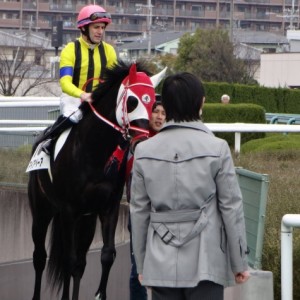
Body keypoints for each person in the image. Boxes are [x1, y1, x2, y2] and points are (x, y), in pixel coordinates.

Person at [130, 72, 250, 300]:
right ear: (201, 103)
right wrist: (239, 262)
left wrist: (143, 266)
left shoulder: (144, 151)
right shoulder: (218, 148)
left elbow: (139, 211)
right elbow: (231, 207)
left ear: (165, 104)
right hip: (207, 260)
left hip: (160, 260)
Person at [41, 4, 117, 153]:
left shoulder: (109, 51)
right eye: (96, 27)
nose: (100, 32)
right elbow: (65, 83)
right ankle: (48, 141)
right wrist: (83, 95)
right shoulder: (70, 49)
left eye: (102, 28)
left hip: (98, 101)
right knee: (74, 115)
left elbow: (113, 82)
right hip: (73, 99)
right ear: (84, 28)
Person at [126, 96, 166, 300]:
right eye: (155, 112)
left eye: (163, 113)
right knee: (137, 269)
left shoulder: (169, 141)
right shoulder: (136, 142)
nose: (159, 117)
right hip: (139, 216)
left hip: (164, 216)